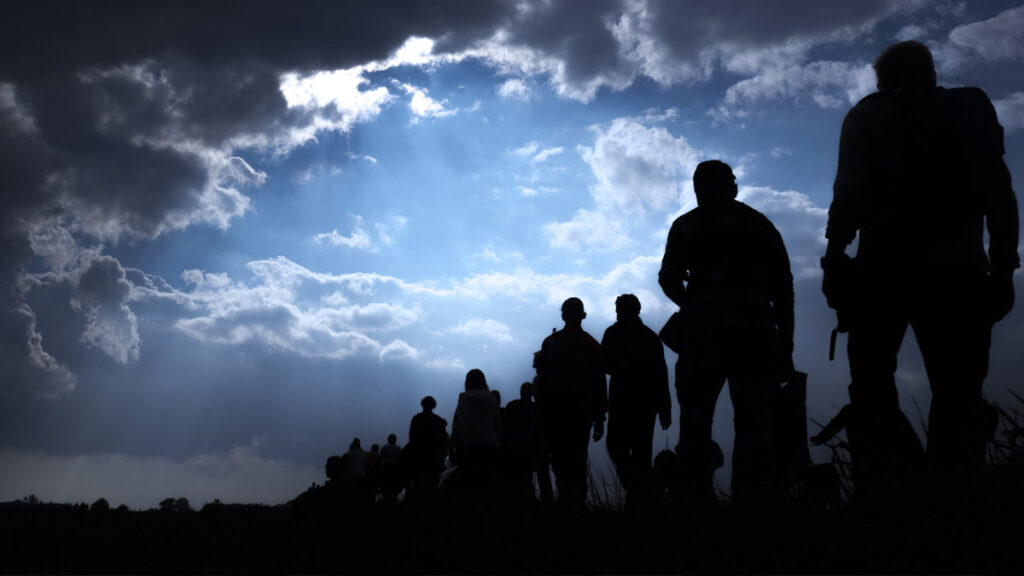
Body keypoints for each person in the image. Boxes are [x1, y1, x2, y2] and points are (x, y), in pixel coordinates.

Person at [823, 41, 1019, 496]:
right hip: (960, 273)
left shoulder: (867, 115)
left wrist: (834, 261)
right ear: (929, 73)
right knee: (958, 393)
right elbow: (999, 194)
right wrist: (1004, 269)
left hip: (883, 273)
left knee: (871, 389)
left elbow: (849, 197)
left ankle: (894, 493)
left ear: (885, 80)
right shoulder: (971, 108)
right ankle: (953, 498)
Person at [659, 159, 795, 508]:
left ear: (697, 188)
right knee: (754, 422)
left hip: (702, 336)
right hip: (755, 335)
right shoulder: (759, 225)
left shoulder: (686, 225)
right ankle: (752, 503)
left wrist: (691, 303)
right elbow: (783, 287)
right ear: (732, 187)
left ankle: (693, 502)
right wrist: (787, 345)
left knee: (694, 423)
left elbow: (668, 278)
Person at [534, 297, 607, 509]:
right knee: (577, 458)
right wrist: (600, 417)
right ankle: (575, 504)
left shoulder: (551, 342)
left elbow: (543, 378)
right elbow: (599, 382)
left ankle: (567, 501)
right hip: (581, 413)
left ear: (563, 315)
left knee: (559, 459)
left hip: (555, 412)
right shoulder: (591, 344)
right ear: (582, 315)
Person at [601, 294, 671, 507]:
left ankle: (638, 501)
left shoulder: (617, 334)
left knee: (627, 451)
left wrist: (664, 407)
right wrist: (664, 407)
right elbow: (661, 373)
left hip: (631, 403)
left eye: (619, 308)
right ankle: (641, 491)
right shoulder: (648, 336)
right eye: (617, 308)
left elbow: (660, 372)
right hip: (637, 404)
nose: (617, 312)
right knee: (631, 452)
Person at [450, 369, 503, 493]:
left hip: (469, 445)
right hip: (491, 445)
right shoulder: (492, 398)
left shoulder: (464, 398)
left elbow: (460, 423)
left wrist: (453, 444)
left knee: (470, 484)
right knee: (487, 483)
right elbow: (497, 424)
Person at [502, 381, 552, 501]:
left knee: (522, 477)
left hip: (520, 448)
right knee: (526, 476)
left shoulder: (513, 406)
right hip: (527, 448)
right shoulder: (535, 409)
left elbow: (505, 426)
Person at [407, 396, 449, 501]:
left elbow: (412, 438)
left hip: (419, 458)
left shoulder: (416, 419)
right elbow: (444, 440)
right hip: (434, 459)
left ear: (422, 404)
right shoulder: (439, 421)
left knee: (418, 487)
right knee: (432, 487)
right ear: (433, 405)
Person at [379, 433, 405, 503]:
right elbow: (402, 460)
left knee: (385, 487)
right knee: (394, 488)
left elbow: (380, 459)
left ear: (388, 440)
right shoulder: (399, 449)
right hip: (395, 470)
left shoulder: (384, 448)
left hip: (386, 468)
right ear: (395, 440)